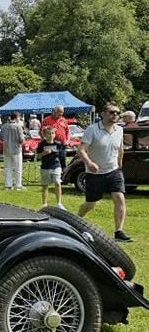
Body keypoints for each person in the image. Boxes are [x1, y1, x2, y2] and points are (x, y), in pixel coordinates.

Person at [77, 102, 132, 242]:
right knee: (90, 204)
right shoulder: (92, 129)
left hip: (113, 171)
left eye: (117, 113)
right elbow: (81, 149)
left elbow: (120, 149)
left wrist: (119, 164)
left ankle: (119, 232)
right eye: (112, 112)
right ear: (103, 113)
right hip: (94, 173)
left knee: (119, 198)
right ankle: (75, 221)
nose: (115, 115)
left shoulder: (119, 130)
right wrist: (89, 163)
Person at [36, 125, 64, 209]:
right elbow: (38, 156)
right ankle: (44, 203)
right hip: (45, 167)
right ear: (44, 135)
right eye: (48, 134)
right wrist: (44, 153)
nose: (50, 135)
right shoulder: (42, 145)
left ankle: (59, 203)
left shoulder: (58, 144)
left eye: (52, 133)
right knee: (45, 185)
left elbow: (61, 155)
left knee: (57, 183)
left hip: (56, 166)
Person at [0, 112, 25, 190]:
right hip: (16, 150)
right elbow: (21, 139)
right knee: (18, 169)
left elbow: (1, 138)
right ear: (16, 117)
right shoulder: (18, 127)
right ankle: (18, 185)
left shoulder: (4, 126)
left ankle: (8, 185)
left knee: (8, 168)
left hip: (6, 149)